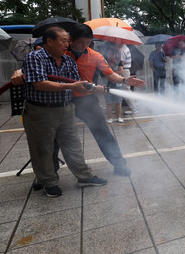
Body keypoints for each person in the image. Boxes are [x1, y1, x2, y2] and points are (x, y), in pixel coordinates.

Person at [13, 24, 145, 176]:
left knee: (102, 132)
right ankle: (49, 175)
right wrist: (19, 71)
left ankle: (119, 164)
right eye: (82, 42)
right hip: (61, 100)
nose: (85, 46)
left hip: (85, 100)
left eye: (88, 43)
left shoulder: (95, 56)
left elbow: (109, 74)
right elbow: (35, 65)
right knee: (53, 138)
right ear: (71, 40)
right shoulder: (59, 52)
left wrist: (124, 80)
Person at [21, 26, 107, 197]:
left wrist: (92, 89)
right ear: (49, 41)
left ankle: (84, 176)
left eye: (67, 41)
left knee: (73, 144)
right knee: (43, 148)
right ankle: (49, 182)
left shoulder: (68, 61)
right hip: (40, 111)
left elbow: (77, 84)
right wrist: (72, 86)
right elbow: (40, 84)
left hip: (66, 108)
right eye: (63, 41)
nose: (67, 44)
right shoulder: (35, 58)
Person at [103, 43, 124, 123]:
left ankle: (119, 117)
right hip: (107, 84)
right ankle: (110, 118)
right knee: (109, 102)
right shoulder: (104, 63)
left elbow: (121, 71)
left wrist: (112, 72)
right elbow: (103, 73)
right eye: (108, 53)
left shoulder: (118, 61)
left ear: (114, 54)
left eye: (112, 53)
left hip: (117, 84)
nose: (110, 55)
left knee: (118, 101)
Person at [117, 43, 137, 115]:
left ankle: (133, 109)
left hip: (123, 71)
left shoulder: (122, 50)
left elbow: (121, 63)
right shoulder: (125, 48)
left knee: (126, 90)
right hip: (125, 70)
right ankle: (117, 107)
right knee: (121, 89)